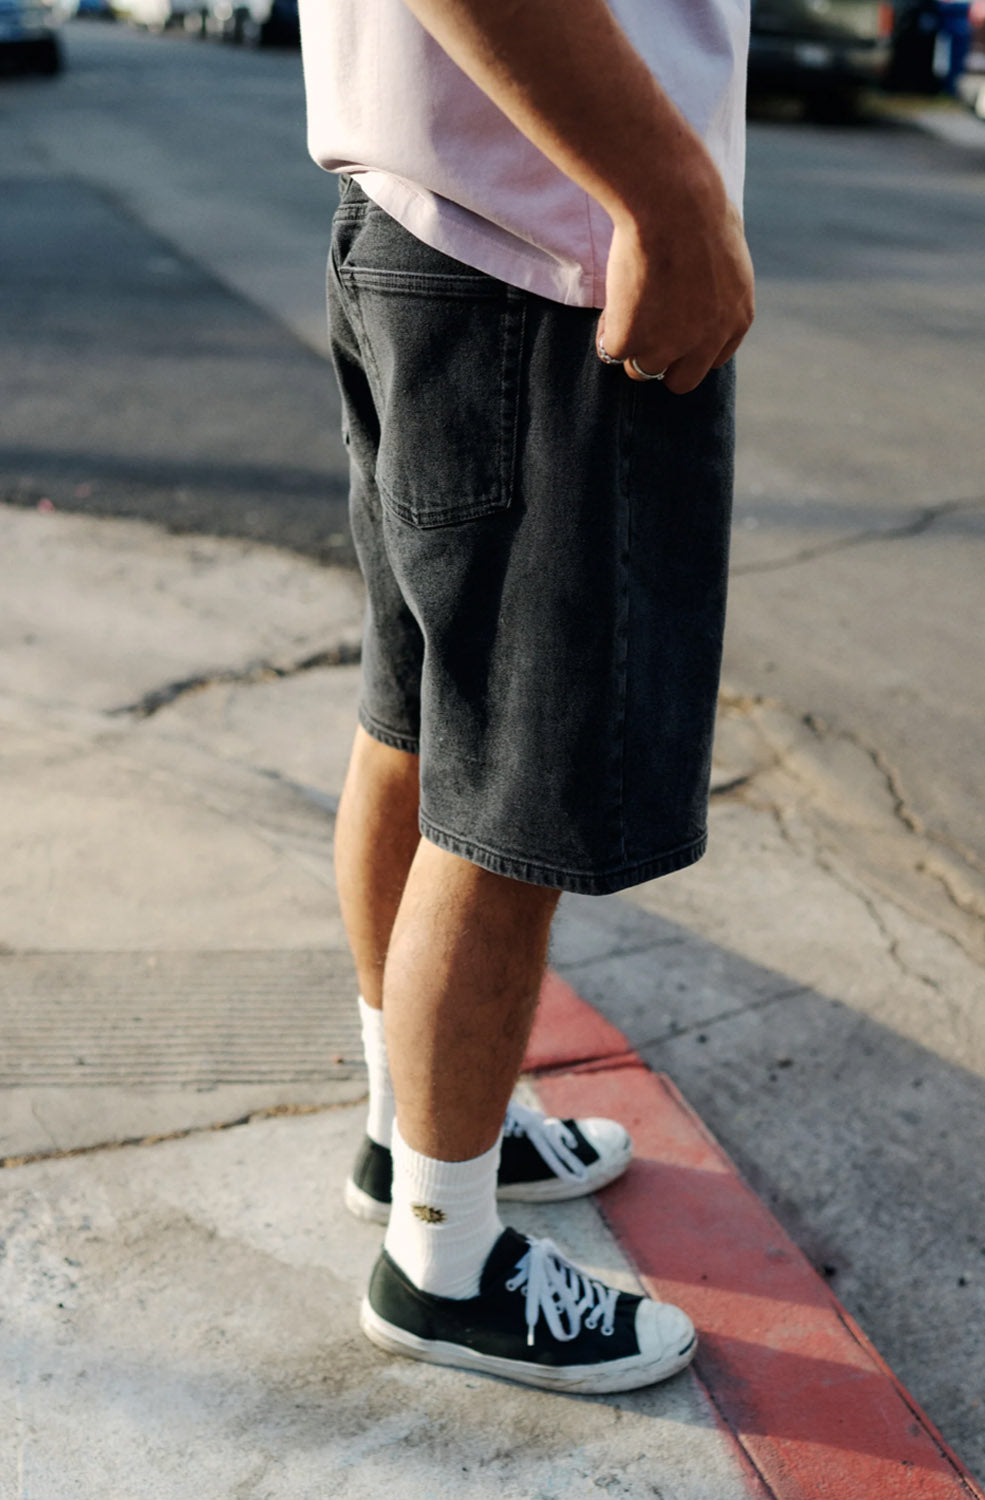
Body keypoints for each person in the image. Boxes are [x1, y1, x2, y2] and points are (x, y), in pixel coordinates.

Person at [299, 0, 756, 1394]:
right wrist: (666, 193)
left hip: (436, 225)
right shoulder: (593, 224)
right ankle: (447, 1263)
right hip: (547, 263)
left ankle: (421, 1132)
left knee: (423, 726)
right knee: (517, 781)